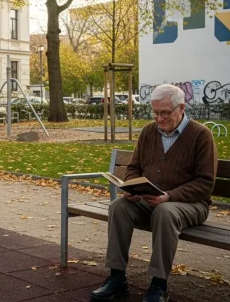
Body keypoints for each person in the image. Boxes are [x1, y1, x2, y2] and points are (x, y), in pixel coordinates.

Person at [90, 84, 217, 302]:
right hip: (150, 200)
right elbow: (133, 168)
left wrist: (169, 196)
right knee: (119, 207)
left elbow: (205, 183)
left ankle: (159, 285)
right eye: (155, 112)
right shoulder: (149, 131)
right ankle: (116, 278)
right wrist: (131, 187)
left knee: (165, 212)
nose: (158, 118)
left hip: (190, 204)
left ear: (181, 108)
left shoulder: (201, 135)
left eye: (164, 113)